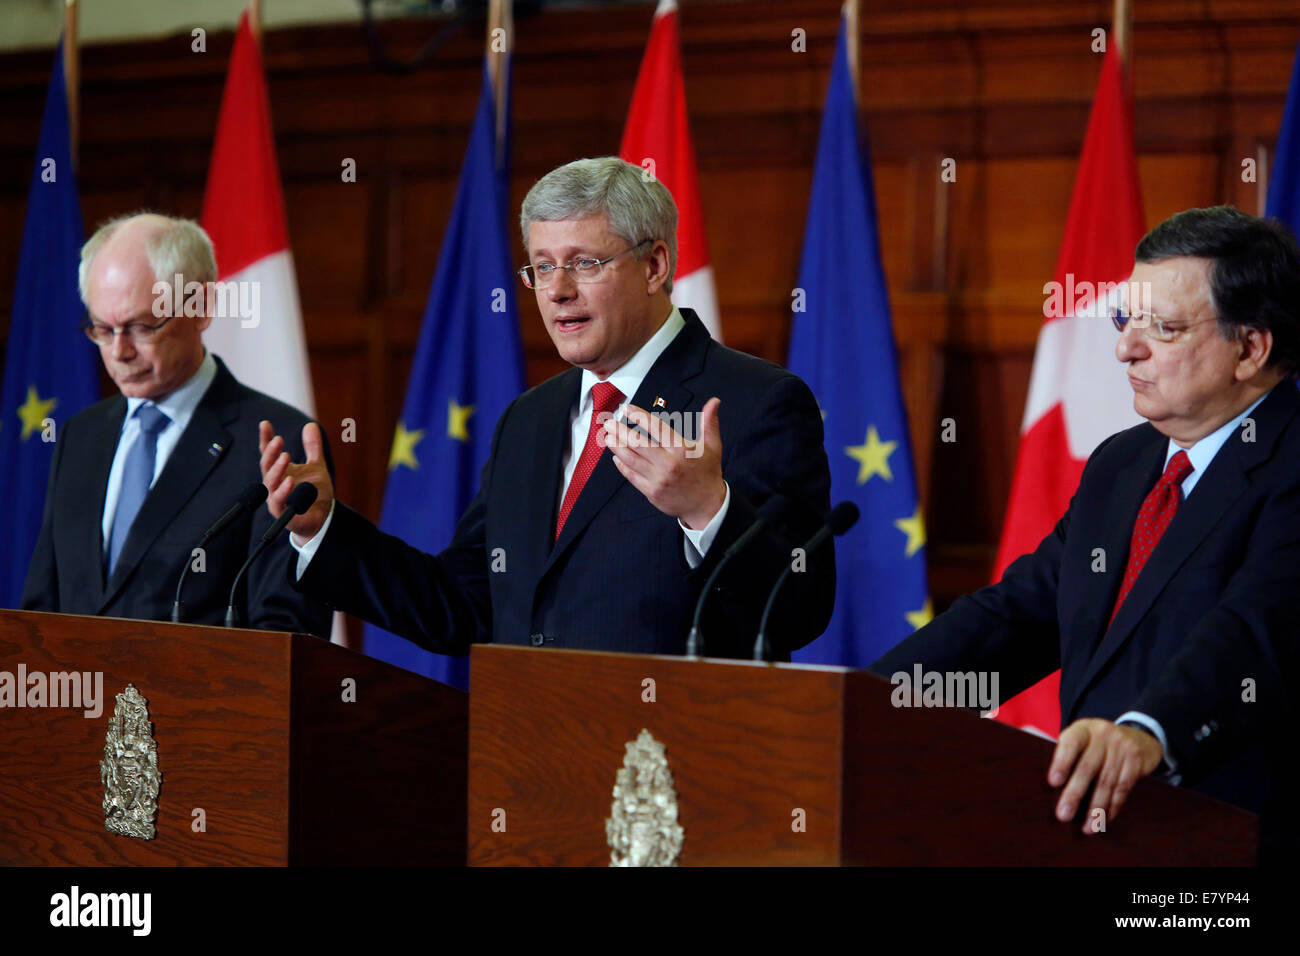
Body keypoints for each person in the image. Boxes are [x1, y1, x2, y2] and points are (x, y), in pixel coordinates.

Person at [260, 156, 835, 660]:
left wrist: (709, 510)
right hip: (526, 756)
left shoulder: (756, 402)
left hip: (665, 765)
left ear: (655, 266)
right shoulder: (529, 420)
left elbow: (800, 608)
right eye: (541, 266)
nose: (557, 290)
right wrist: (324, 531)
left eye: (584, 263)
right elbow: (463, 605)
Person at [872, 205, 1298, 856]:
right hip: (1103, 836)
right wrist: (871, 703)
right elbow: (1020, 616)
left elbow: (1255, 630)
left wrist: (1149, 733)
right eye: (1126, 320)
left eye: (1164, 328)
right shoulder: (1123, 463)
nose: (1127, 346)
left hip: (1238, 846)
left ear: (1250, 347)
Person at [22, 213, 333, 637]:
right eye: (102, 329)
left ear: (200, 308)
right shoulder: (80, 436)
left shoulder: (277, 442)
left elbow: (286, 632)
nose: (119, 351)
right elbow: (42, 611)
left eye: (140, 327)